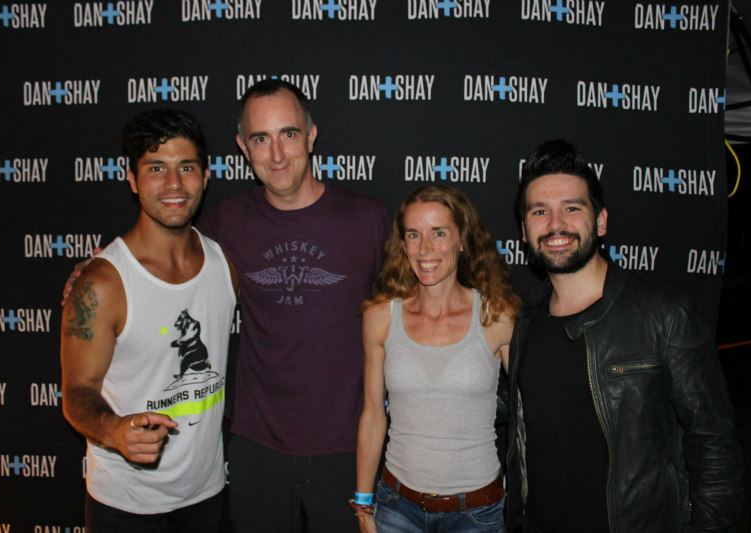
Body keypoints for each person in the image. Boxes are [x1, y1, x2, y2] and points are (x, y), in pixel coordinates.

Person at [504, 139, 744, 533]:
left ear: (600, 221)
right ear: (525, 231)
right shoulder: (525, 321)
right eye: (540, 211)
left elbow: (714, 443)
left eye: (572, 208)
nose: (555, 224)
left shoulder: (663, 314)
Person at [197, 79, 390, 532]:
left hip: (349, 446)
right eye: (261, 139)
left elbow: (419, 305)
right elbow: (162, 262)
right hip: (257, 446)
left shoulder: (368, 219)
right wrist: (102, 270)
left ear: (312, 135)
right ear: (243, 147)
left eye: (288, 134)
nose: (277, 154)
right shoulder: (226, 222)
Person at [60, 109, 238, 532]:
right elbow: (76, 392)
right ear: (132, 179)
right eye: (157, 168)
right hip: (126, 507)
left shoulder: (223, 262)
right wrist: (113, 429)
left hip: (208, 496)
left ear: (206, 176)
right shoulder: (102, 284)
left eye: (187, 168)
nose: (174, 185)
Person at [355, 185, 520, 533]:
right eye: (413, 235)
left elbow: (531, 420)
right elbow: (372, 416)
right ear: (402, 244)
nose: (424, 248)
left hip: (478, 512)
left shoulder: (498, 316)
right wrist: (363, 502)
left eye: (439, 233)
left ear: (462, 239)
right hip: (396, 509)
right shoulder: (380, 317)